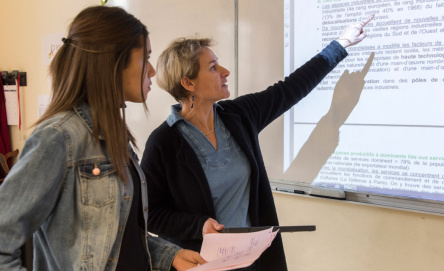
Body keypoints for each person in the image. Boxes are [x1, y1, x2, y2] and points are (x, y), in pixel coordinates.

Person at [141, 15, 375, 270]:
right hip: (201, 265)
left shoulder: (239, 116)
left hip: (252, 262)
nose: (225, 72)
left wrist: (339, 45)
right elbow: (149, 214)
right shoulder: (163, 142)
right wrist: (198, 225)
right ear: (188, 83)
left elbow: (289, 90)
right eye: (213, 68)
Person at [0, 6, 206, 271]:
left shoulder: (113, 134)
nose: (152, 71)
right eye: (146, 58)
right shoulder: (58, 137)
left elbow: (118, 236)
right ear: (114, 62)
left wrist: (169, 255)